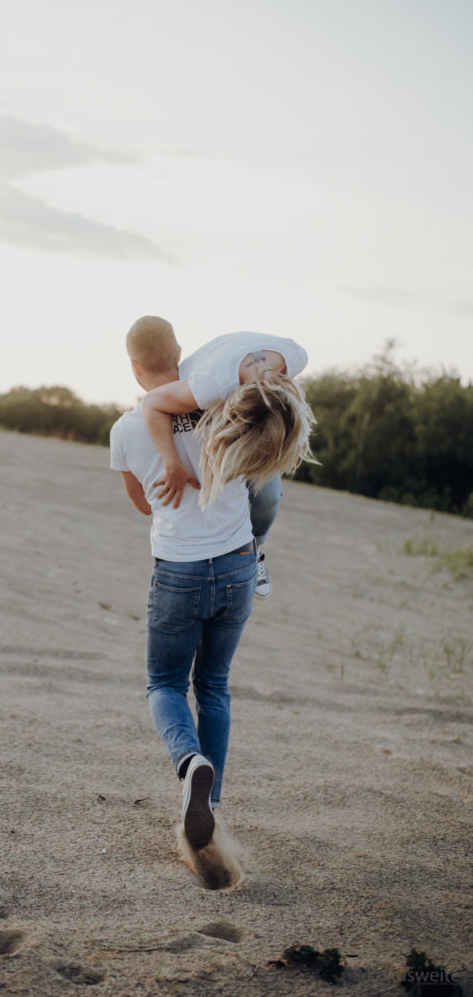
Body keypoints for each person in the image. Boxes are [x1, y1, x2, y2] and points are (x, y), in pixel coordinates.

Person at [110, 317, 260, 852]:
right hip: (240, 562)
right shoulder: (223, 407)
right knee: (214, 686)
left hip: (179, 570)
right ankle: (210, 809)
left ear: (133, 367)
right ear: (179, 353)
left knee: (165, 685)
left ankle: (189, 761)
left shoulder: (126, 430)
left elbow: (142, 504)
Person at [137, 325, 315, 598]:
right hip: (207, 398)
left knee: (269, 498)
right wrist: (172, 462)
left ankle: (254, 552)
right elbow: (152, 403)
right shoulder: (209, 386)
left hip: (244, 390)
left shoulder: (295, 357)